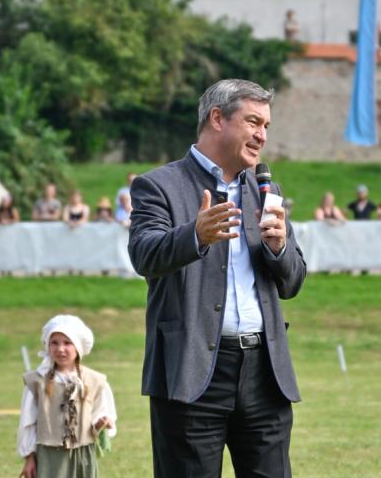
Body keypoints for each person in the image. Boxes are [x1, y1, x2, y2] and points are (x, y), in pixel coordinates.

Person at [127, 79, 305, 478]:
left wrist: (279, 249)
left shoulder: (266, 189)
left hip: (264, 374)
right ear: (217, 118)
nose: (261, 136)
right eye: (253, 122)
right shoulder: (158, 185)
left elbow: (293, 282)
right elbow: (144, 254)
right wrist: (195, 234)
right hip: (191, 371)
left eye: (266, 127)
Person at [18, 315, 116, 478]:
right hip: (50, 457)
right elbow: (27, 423)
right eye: (54, 343)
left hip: (83, 455)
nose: (60, 349)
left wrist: (102, 424)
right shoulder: (36, 382)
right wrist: (29, 458)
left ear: (78, 346)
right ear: (47, 345)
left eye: (67, 343)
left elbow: (102, 416)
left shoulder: (95, 381)